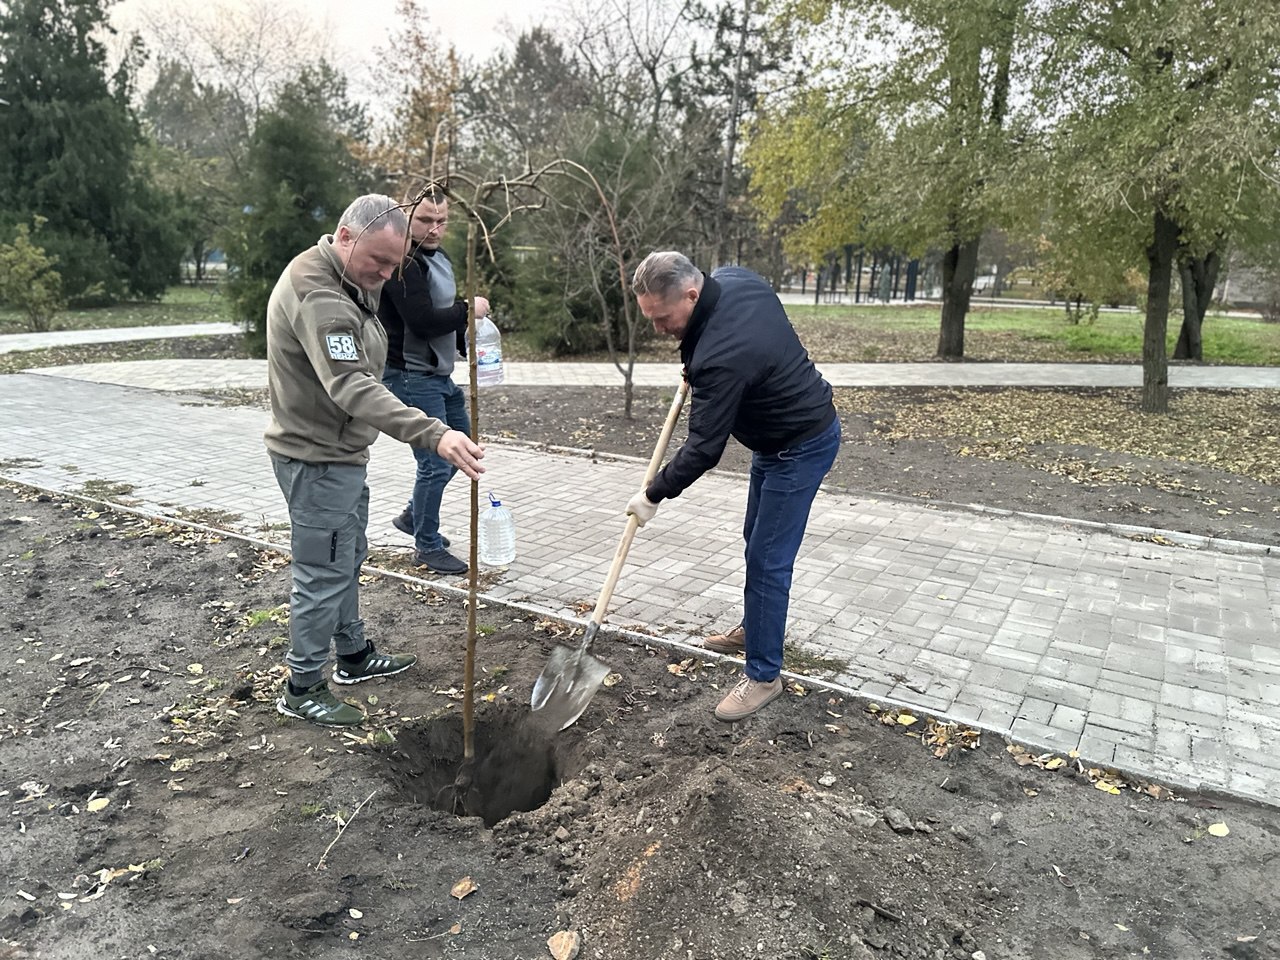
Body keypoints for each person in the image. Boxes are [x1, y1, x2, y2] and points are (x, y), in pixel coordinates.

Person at [264, 194, 485, 727]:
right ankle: (303, 684)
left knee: (348, 555)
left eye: (395, 264)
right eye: (379, 262)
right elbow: (352, 386)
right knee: (322, 571)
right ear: (345, 236)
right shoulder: (319, 294)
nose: (386, 275)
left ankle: (354, 656)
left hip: (340, 454)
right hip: (315, 460)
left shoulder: (347, 279)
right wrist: (434, 434)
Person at [626, 251, 840, 722]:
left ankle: (764, 675)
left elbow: (704, 449)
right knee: (755, 541)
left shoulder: (721, 357)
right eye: (651, 319)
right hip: (775, 442)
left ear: (691, 293)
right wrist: (692, 358)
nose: (658, 329)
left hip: (801, 446)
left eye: (663, 319)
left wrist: (652, 495)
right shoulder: (734, 279)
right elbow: (725, 332)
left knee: (767, 559)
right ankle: (757, 628)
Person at [378, 187, 487, 575]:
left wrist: (465, 335)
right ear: (406, 216)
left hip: (440, 375)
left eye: (442, 221)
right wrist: (465, 310)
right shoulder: (403, 265)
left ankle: (414, 516)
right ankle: (426, 545)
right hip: (411, 376)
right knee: (436, 464)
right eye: (425, 220)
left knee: (465, 449)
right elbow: (422, 322)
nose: (435, 228)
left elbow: (444, 316)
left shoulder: (438, 258)